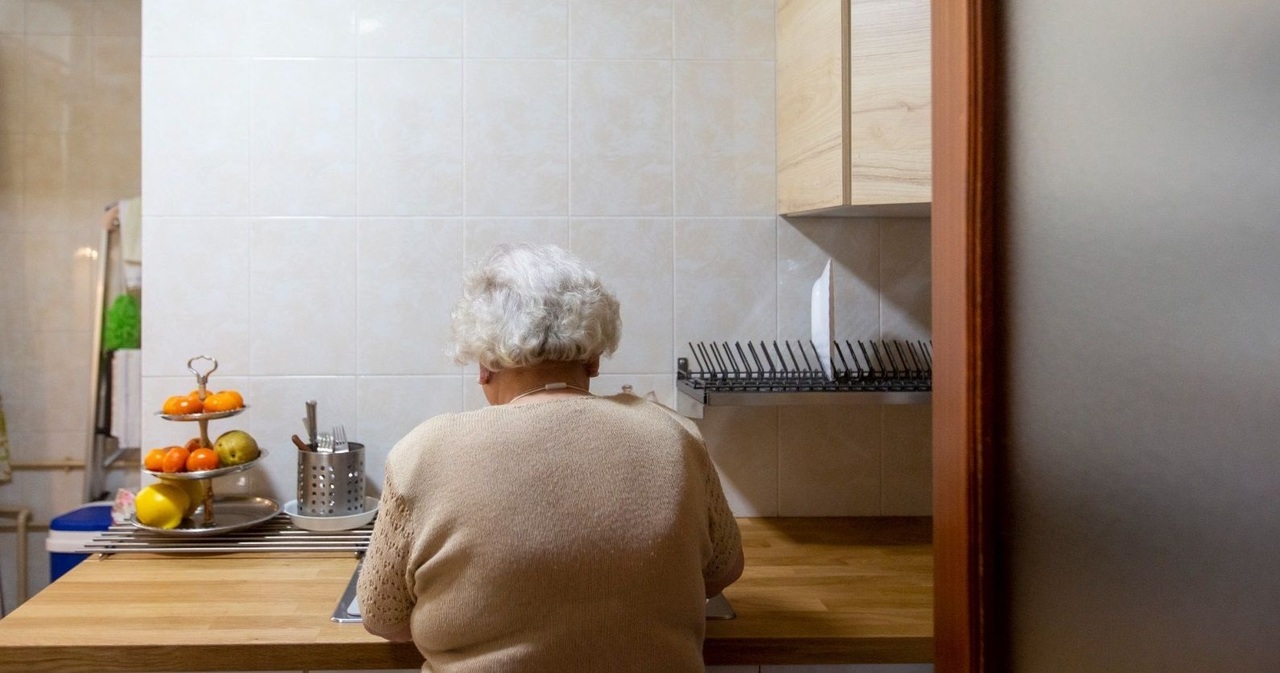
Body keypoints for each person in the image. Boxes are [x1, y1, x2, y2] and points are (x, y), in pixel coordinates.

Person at [358, 243, 744, 672]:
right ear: (594, 360)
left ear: (485, 364)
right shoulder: (675, 436)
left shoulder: (423, 452)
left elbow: (383, 617)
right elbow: (722, 570)